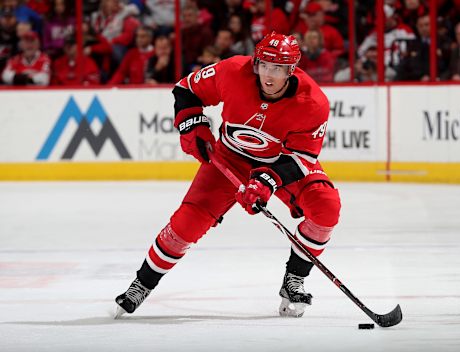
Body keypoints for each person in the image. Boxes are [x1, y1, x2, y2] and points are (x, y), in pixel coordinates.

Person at [114, 32, 341, 319]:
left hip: (276, 165)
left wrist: (266, 182)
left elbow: (302, 158)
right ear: (256, 63)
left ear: (291, 70)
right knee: (186, 224)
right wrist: (191, 123)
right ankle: (141, 285)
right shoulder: (233, 70)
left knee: (326, 207)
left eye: (278, 69)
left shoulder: (313, 102)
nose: (268, 76)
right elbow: (185, 90)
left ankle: (294, 279)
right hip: (229, 159)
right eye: (264, 66)